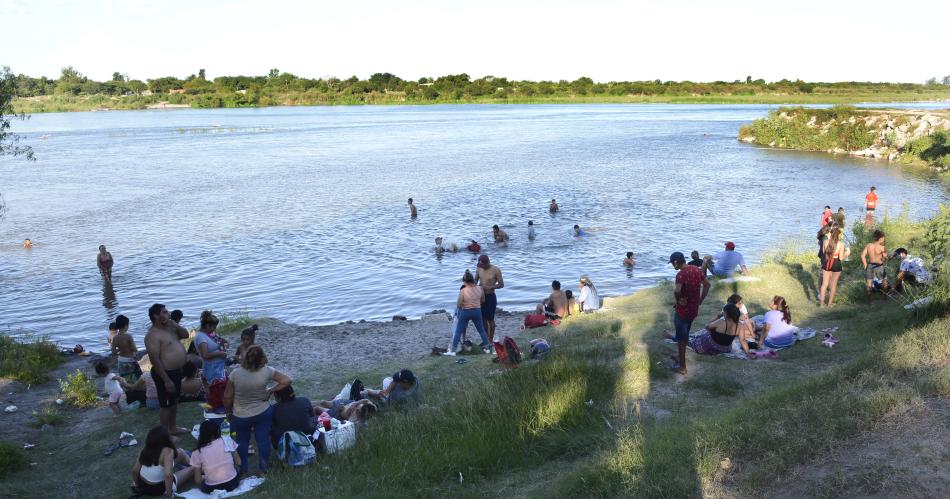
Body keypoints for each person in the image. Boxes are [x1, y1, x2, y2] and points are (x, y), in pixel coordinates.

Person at [224, 345, 292, 475]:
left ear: (246, 357)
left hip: (241, 415)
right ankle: (263, 469)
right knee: (263, 440)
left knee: (242, 441)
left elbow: (227, 397)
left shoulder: (235, 374)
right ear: (262, 357)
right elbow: (287, 380)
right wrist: (270, 391)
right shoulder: (267, 371)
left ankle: (243, 469)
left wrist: (228, 412)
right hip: (263, 412)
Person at [144, 303, 191, 435]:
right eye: (165, 312)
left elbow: (186, 335)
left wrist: (175, 324)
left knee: (174, 401)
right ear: (156, 316)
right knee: (166, 405)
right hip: (165, 374)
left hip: (176, 372)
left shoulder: (170, 327)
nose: (168, 314)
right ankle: (165, 435)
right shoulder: (152, 335)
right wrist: (166, 380)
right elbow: (154, 359)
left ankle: (173, 427)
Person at [668, 252, 711, 375]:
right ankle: (680, 356)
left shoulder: (680, 275)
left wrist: (678, 300)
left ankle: (682, 367)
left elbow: (677, 291)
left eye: (672, 263)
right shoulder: (696, 270)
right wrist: (700, 301)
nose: (672, 266)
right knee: (685, 335)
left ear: (676, 262)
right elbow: (707, 285)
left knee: (682, 339)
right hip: (693, 310)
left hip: (682, 312)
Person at [132, 426, 193, 497]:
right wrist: (169, 493)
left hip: (142, 484)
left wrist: (137, 485)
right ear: (166, 440)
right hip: (158, 488)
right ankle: (200, 468)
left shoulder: (146, 449)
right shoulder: (168, 452)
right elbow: (168, 475)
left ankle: (192, 462)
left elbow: (134, 471)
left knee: (181, 452)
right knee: (193, 468)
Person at [668, 303, 747, 357]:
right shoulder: (740, 325)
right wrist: (749, 354)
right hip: (725, 349)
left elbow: (707, 326)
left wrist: (718, 316)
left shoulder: (721, 322)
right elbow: (743, 340)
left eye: (724, 312)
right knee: (705, 334)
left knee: (686, 341)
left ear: (726, 314)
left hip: (709, 346)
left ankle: (671, 336)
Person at [190, 420, 241, 494]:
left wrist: (204, 477)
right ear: (217, 431)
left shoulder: (197, 452)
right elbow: (238, 462)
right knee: (235, 469)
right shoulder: (226, 440)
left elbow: (198, 480)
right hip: (233, 483)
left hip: (212, 488)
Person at [452, 270, 491, 353]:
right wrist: (476, 304)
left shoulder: (463, 291)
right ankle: (487, 348)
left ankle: (453, 350)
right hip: (477, 312)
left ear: (465, 281)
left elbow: (459, 304)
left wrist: (463, 306)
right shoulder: (480, 288)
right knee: (481, 330)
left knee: (458, 331)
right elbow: (483, 300)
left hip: (465, 312)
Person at [475, 255, 504, 345]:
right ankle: (486, 339)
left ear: (487, 263)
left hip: (490, 296)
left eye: (483, 265)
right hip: (481, 296)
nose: (481, 267)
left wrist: (489, 287)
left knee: (490, 319)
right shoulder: (479, 269)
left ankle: (490, 340)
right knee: (483, 318)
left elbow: (501, 284)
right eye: (480, 265)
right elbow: (475, 280)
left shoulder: (495, 270)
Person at [194, 311, 228, 384]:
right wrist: (220, 353)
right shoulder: (200, 337)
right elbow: (205, 355)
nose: (214, 329)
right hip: (211, 369)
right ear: (207, 325)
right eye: (214, 327)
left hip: (219, 367)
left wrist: (225, 342)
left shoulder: (209, 333)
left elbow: (219, 340)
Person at [819, 227, 848, 307]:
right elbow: (841, 258)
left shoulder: (825, 241)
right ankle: (829, 304)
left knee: (824, 284)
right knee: (833, 284)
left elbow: (824, 254)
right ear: (838, 235)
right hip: (836, 263)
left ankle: (821, 304)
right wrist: (847, 253)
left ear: (831, 234)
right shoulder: (841, 244)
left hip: (827, 263)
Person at [860, 229, 889, 304]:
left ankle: (869, 302)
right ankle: (885, 299)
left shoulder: (869, 245)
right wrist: (887, 257)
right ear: (881, 238)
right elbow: (886, 258)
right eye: (883, 238)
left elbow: (862, 256)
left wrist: (865, 265)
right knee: (884, 282)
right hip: (879, 266)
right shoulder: (882, 247)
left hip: (870, 265)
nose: (884, 239)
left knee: (869, 284)